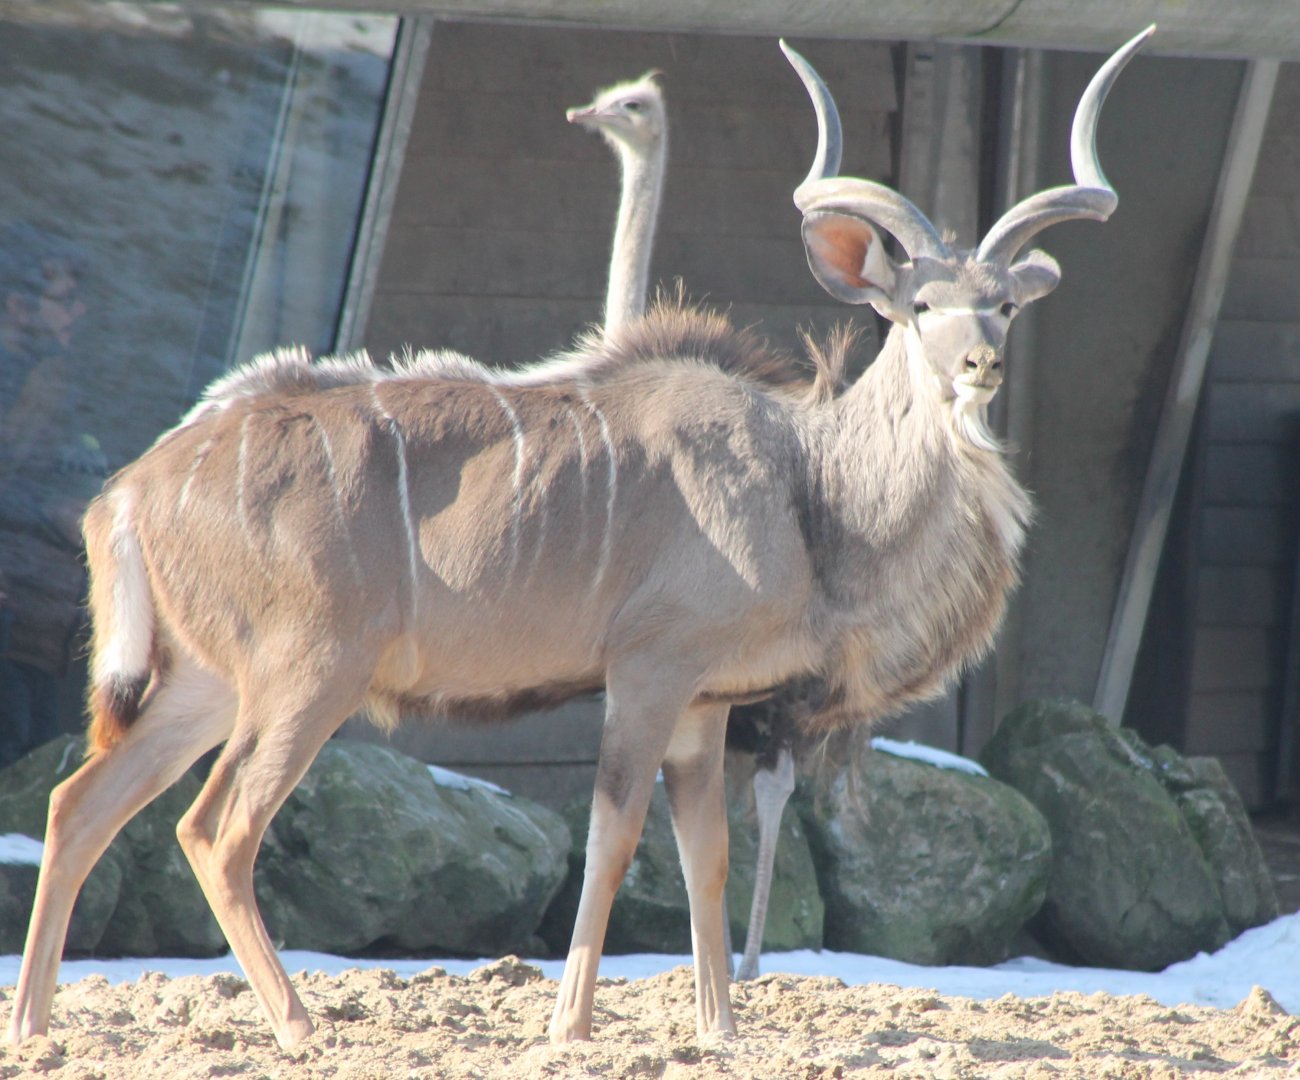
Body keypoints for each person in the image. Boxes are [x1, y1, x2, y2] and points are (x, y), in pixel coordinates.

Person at [0, 222, 100, 769]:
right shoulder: (20, 382)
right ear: (16, 305)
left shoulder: (50, 379)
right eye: (65, 300)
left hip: (38, 634)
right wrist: (49, 510)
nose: (78, 312)